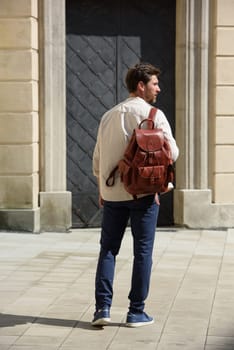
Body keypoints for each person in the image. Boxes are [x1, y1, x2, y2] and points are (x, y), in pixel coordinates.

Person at [92, 62, 179, 327]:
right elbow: (173, 154)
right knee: (143, 252)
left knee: (108, 250)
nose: (158, 88)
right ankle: (135, 312)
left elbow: (97, 160)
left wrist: (102, 190)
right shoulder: (155, 114)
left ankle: (102, 310)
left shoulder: (108, 115)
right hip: (143, 193)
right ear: (141, 86)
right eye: (154, 83)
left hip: (113, 195)